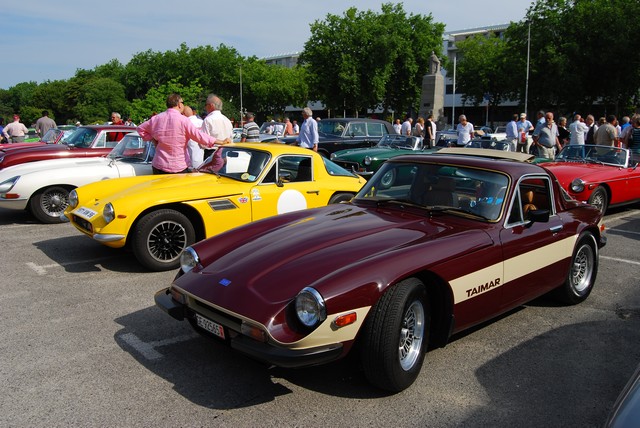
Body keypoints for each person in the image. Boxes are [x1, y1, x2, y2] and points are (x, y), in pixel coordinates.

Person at [137, 93, 230, 174]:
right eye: (182, 102)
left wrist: (153, 140)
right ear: (179, 104)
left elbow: (140, 129)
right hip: (178, 166)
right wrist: (220, 142)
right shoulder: (183, 120)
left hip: (159, 164)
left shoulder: (156, 118)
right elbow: (199, 136)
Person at [202, 93, 234, 159]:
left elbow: (204, 142)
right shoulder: (227, 120)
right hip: (225, 152)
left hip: (212, 153)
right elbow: (231, 138)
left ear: (211, 105)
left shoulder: (208, 120)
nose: (205, 107)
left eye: (206, 105)